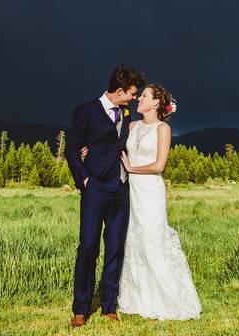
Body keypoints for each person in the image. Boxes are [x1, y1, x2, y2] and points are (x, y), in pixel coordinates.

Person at [82, 83, 201, 321]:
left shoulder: (163, 129)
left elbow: (159, 166)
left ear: (156, 103)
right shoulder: (132, 125)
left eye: (144, 96)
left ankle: (168, 298)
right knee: (132, 240)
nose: (139, 99)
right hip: (128, 191)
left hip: (150, 191)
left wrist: (132, 168)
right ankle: (137, 296)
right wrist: (89, 152)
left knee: (152, 238)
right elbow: (110, 144)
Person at [64, 64, 145, 328]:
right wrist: (84, 179)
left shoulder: (125, 111)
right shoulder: (85, 111)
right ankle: (81, 308)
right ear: (120, 91)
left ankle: (109, 305)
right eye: (132, 94)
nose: (134, 98)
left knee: (115, 249)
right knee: (88, 247)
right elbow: (72, 149)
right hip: (95, 189)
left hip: (121, 190)